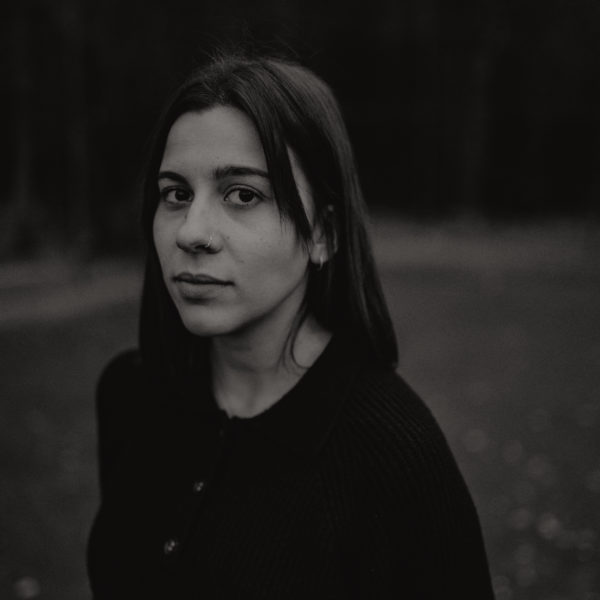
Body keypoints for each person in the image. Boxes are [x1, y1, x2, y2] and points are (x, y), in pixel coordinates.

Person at [87, 50, 494, 599]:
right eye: (176, 194)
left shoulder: (394, 457)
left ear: (323, 233)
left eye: (243, 194)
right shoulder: (131, 394)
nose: (191, 232)